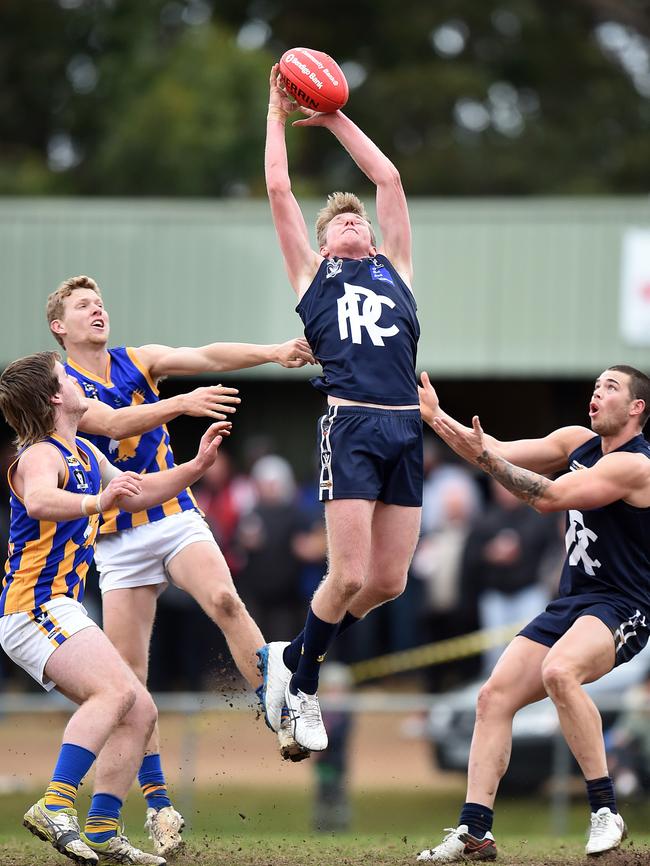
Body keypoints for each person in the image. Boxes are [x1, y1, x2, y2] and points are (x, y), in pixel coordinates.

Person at [45, 274, 315, 854]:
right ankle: (152, 805)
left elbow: (205, 354)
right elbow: (113, 423)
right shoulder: (60, 388)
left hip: (171, 514)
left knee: (223, 599)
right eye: (82, 306)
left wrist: (274, 352)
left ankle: (283, 712)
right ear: (58, 327)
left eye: (99, 302)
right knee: (129, 690)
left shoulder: (137, 362)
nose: (97, 310)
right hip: (116, 540)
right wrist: (184, 403)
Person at [0, 351, 229, 865]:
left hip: (58, 607)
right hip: (32, 607)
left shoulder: (80, 450)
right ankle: (56, 805)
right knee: (116, 691)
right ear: (56, 397)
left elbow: (137, 493)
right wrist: (94, 504)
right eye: (66, 375)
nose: (77, 380)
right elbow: (38, 500)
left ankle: (102, 828)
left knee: (140, 707)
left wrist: (195, 467)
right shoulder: (41, 453)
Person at [416, 365, 650, 860]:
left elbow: (549, 496)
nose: (596, 394)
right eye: (594, 386)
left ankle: (605, 810)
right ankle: (474, 831)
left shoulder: (636, 466)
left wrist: (483, 456)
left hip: (623, 605)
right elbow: (494, 449)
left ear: (636, 409)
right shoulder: (576, 441)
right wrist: (438, 419)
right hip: (572, 602)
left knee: (559, 672)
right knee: (492, 698)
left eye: (610, 388)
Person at [258, 64, 423, 752]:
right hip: (351, 421)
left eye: (357, 219)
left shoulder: (397, 271)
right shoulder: (313, 276)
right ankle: (302, 689)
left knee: (386, 582)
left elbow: (388, 180)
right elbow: (278, 188)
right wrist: (275, 111)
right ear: (326, 244)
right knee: (348, 574)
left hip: (406, 427)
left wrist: (334, 120)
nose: (353, 220)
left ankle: (288, 656)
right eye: (340, 222)